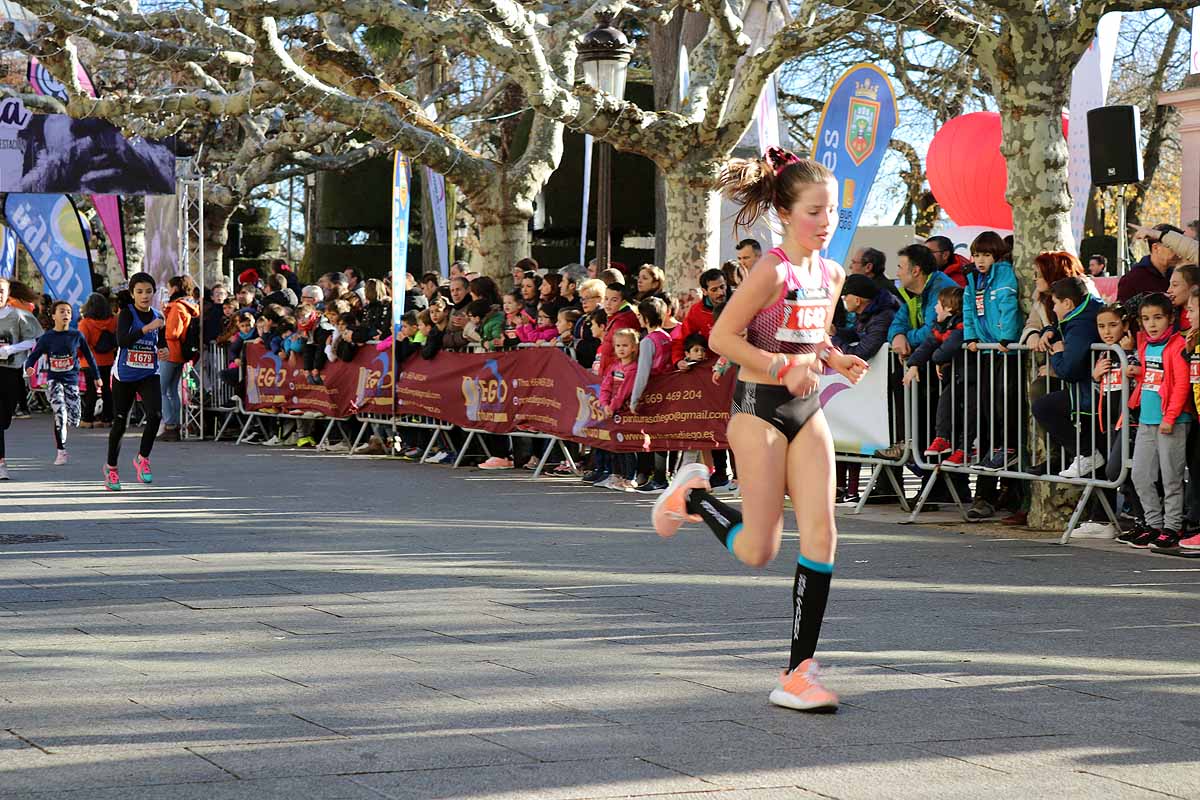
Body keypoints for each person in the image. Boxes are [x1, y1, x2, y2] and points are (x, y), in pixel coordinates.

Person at [652, 147, 868, 712]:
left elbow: (813, 334)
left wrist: (835, 358)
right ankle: (694, 497)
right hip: (757, 408)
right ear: (786, 212)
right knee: (758, 549)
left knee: (823, 535)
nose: (826, 223)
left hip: (808, 409)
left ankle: (799, 672)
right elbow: (722, 338)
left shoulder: (833, 271)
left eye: (833, 213)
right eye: (815, 212)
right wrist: (779, 367)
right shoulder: (769, 270)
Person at [1124, 293, 1194, 551]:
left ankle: (1172, 526)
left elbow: (1181, 385)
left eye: (1158, 318)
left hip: (1171, 421)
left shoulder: (1177, 345)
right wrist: (1139, 373)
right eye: (1146, 319)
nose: (1152, 324)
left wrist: (1170, 417)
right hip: (1147, 419)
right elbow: (1153, 377)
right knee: (1141, 474)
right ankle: (1153, 523)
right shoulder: (1144, 344)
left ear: (1170, 318)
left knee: (1171, 477)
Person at [1031, 278, 1105, 478]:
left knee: (1043, 407)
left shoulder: (1080, 326)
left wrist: (1056, 355)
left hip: (1091, 394)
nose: (1053, 309)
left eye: (1055, 303)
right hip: (1092, 390)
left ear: (1067, 304)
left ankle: (1087, 453)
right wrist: (1050, 330)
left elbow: (1069, 370)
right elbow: (1062, 327)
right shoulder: (1089, 309)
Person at [105, 272, 169, 491]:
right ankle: (111, 469)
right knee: (120, 422)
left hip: (149, 372)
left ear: (154, 293)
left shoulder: (159, 315)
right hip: (125, 373)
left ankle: (143, 458)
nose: (144, 296)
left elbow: (161, 342)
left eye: (149, 291)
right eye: (140, 292)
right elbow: (122, 340)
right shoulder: (127, 314)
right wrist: (145, 329)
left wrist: (164, 350)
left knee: (155, 415)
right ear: (132, 294)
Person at [23, 300, 101, 465]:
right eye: (61, 311)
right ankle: (61, 451)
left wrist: (97, 377)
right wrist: (29, 367)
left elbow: (89, 357)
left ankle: (68, 421)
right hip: (54, 380)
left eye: (68, 311)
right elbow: (33, 356)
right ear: (53, 316)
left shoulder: (77, 335)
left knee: (74, 418)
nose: (65, 314)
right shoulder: (47, 338)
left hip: (71, 381)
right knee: (60, 414)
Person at [903, 287, 965, 462]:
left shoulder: (960, 325)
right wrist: (914, 364)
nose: (935, 308)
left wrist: (937, 359)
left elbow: (948, 348)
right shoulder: (941, 326)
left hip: (970, 376)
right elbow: (929, 343)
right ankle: (942, 438)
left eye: (938, 304)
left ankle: (964, 447)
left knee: (970, 412)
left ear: (949, 308)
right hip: (956, 376)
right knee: (945, 402)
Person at [630, 297, 674, 492]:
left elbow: (643, 372)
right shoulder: (666, 337)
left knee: (653, 435)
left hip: (652, 390)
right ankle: (660, 475)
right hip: (667, 389)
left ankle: (658, 477)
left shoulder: (648, 341)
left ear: (645, 317)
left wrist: (635, 398)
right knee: (662, 434)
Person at [887, 244, 959, 358]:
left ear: (915, 271)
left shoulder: (941, 288)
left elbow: (931, 331)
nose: (897, 273)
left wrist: (905, 337)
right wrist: (897, 335)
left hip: (949, 361)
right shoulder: (913, 291)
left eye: (900, 267)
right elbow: (898, 322)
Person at [597, 328, 641, 491]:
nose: (621, 349)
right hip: (612, 411)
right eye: (618, 346)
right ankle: (617, 474)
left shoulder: (634, 368)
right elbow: (606, 386)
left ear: (634, 347)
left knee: (627, 444)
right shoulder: (614, 366)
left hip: (625, 411)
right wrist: (604, 404)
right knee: (614, 443)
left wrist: (613, 406)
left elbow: (624, 391)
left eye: (625, 345)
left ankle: (630, 477)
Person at [160, 275, 200, 442]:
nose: (168, 291)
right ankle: (174, 425)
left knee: (160, 390)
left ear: (175, 288)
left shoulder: (177, 307)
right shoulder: (188, 306)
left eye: (169, 288)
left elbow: (172, 332)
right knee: (171, 390)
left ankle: (170, 425)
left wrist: (165, 320)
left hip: (171, 352)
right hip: (179, 354)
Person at [78, 291, 118, 428]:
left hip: (90, 362)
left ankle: (87, 419)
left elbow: (81, 344)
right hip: (107, 360)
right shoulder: (114, 320)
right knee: (107, 389)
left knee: (91, 390)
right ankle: (107, 418)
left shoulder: (85, 323)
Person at [672, 269, 727, 367]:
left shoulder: (737, 303)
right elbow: (683, 338)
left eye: (722, 287)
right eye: (714, 290)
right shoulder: (696, 311)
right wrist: (679, 361)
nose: (721, 293)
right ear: (704, 291)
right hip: (709, 366)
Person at [1118, 224, 1183, 302]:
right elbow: (1122, 311)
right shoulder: (1133, 279)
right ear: (1155, 248)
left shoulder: (1179, 275)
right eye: (1173, 247)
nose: (1179, 253)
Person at [1130, 222, 1198, 266]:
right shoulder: (1136, 278)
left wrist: (1159, 235)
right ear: (1155, 248)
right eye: (1170, 245)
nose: (1179, 253)